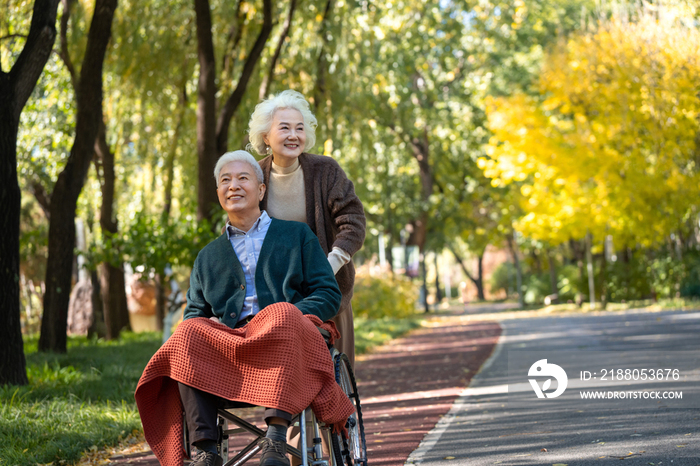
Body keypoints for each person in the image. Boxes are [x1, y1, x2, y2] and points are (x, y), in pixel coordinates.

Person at [135, 151, 354, 466]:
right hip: (232, 347)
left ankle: (276, 441)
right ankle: (205, 451)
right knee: (186, 333)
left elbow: (327, 292)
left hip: (285, 338)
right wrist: (210, 328)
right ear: (219, 193)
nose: (233, 186)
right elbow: (195, 314)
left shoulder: (297, 236)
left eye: (242, 178)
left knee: (281, 314)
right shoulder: (208, 257)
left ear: (262, 190)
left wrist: (295, 314)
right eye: (225, 180)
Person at [248, 90, 366, 367]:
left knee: (334, 370)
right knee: (282, 368)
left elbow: (353, 220)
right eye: (285, 128)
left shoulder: (325, 171)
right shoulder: (254, 175)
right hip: (276, 292)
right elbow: (239, 223)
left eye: (299, 128)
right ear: (266, 137)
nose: (294, 135)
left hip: (328, 282)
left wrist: (331, 263)